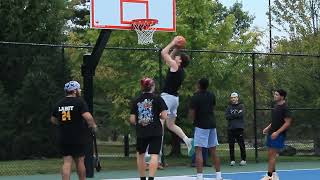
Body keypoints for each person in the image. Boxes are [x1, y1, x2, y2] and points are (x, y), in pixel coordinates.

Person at [50, 80, 97, 180]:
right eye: (79, 89)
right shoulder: (79, 102)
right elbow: (87, 117)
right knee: (80, 161)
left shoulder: (59, 103)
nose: (80, 91)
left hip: (63, 137)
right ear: (75, 91)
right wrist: (93, 126)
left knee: (67, 162)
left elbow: (53, 120)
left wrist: (63, 124)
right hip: (77, 137)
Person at [129, 77, 168, 180]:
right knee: (154, 155)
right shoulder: (158, 99)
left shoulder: (136, 100)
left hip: (141, 131)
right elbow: (164, 116)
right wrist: (157, 116)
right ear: (153, 86)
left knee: (140, 154)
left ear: (142, 87)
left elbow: (132, 119)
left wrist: (141, 119)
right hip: (155, 130)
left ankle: (142, 178)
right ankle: (151, 178)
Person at [161, 36, 193, 155]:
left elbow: (164, 53)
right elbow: (170, 57)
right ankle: (186, 139)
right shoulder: (180, 70)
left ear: (179, 61)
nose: (176, 57)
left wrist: (172, 43)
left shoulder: (175, 66)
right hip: (175, 99)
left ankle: (155, 155)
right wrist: (176, 47)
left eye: (178, 57)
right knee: (171, 125)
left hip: (167, 98)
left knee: (160, 125)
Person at [189, 78, 223, 180]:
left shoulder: (195, 97)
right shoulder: (211, 95)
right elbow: (212, 108)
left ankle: (199, 177)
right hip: (212, 124)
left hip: (201, 125)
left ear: (199, 85)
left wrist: (192, 120)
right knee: (213, 151)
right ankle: (218, 175)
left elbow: (192, 112)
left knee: (198, 150)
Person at [261, 89, 293, 180]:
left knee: (272, 155)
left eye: (276, 94)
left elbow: (287, 123)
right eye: (274, 94)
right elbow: (275, 121)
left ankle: (269, 176)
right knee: (270, 155)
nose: (274, 96)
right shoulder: (276, 107)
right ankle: (274, 175)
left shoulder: (285, 108)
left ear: (282, 97)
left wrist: (277, 132)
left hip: (278, 135)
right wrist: (268, 128)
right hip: (271, 133)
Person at [225, 92, 247, 166]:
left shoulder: (241, 106)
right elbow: (227, 117)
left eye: (235, 97)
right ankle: (232, 160)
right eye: (232, 98)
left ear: (237, 98)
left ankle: (243, 159)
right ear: (230, 99)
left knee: (241, 145)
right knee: (231, 145)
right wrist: (235, 115)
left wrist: (233, 115)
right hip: (231, 128)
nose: (233, 99)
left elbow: (241, 115)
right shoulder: (229, 107)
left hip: (239, 128)